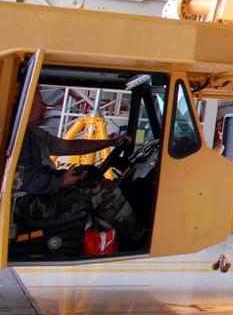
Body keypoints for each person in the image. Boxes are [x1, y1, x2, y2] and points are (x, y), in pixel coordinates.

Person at [13, 95, 144, 245]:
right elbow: (30, 181)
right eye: (40, 101)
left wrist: (110, 142)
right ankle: (139, 239)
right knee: (100, 191)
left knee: (89, 177)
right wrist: (62, 180)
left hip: (39, 194)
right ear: (26, 103)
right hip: (26, 204)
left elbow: (68, 146)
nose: (44, 106)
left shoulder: (33, 133)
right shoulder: (17, 138)